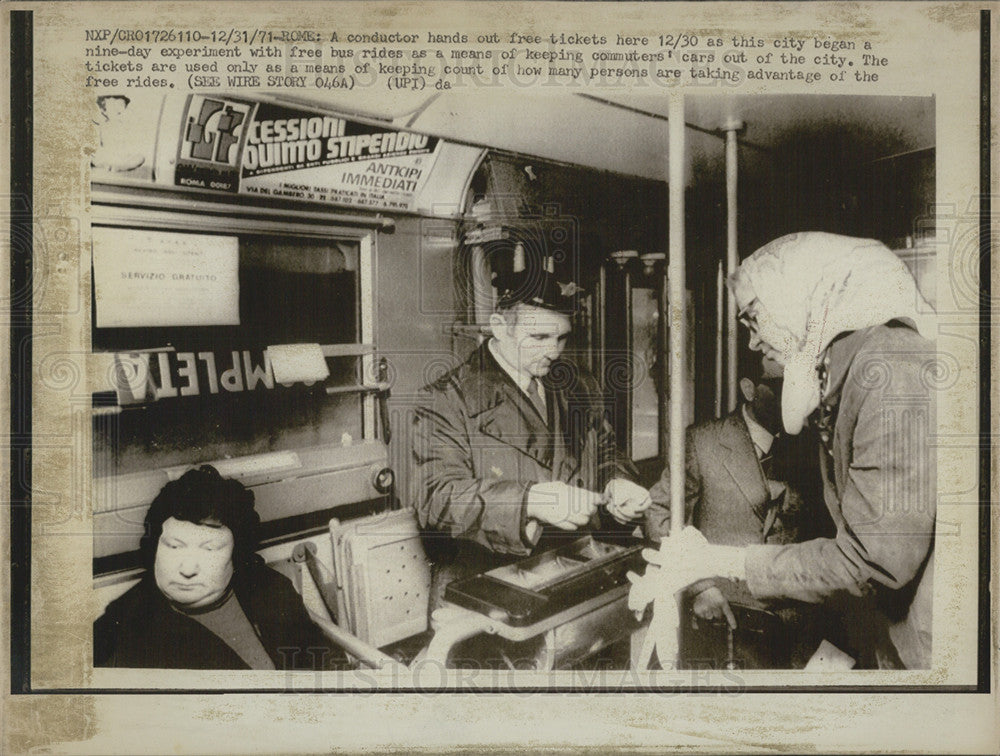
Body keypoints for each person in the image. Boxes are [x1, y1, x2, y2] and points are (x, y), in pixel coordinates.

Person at [632, 232, 936, 669]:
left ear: (800, 297)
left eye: (754, 318)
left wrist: (715, 560)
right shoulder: (862, 369)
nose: (753, 343)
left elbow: (871, 562)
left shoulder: (890, 372)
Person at [412, 253, 651, 617]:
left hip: (568, 573)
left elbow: (606, 452)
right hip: (483, 589)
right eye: (539, 336)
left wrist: (618, 483)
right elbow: (436, 497)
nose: (554, 351)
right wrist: (530, 501)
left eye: (562, 338)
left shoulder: (578, 385)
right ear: (499, 326)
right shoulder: (446, 398)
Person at [94, 465, 347, 670]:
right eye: (174, 546)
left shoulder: (271, 590)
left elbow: (324, 668)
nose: (188, 568)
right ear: (154, 549)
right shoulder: (122, 626)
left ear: (236, 555)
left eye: (209, 549)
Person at [645, 376, 831, 634]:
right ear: (749, 389)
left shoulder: (810, 444)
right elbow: (658, 513)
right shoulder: (702, 441)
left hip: (799, 619)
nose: (793, 398)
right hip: (728, 613)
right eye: (781, 387)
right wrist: (700, 585)